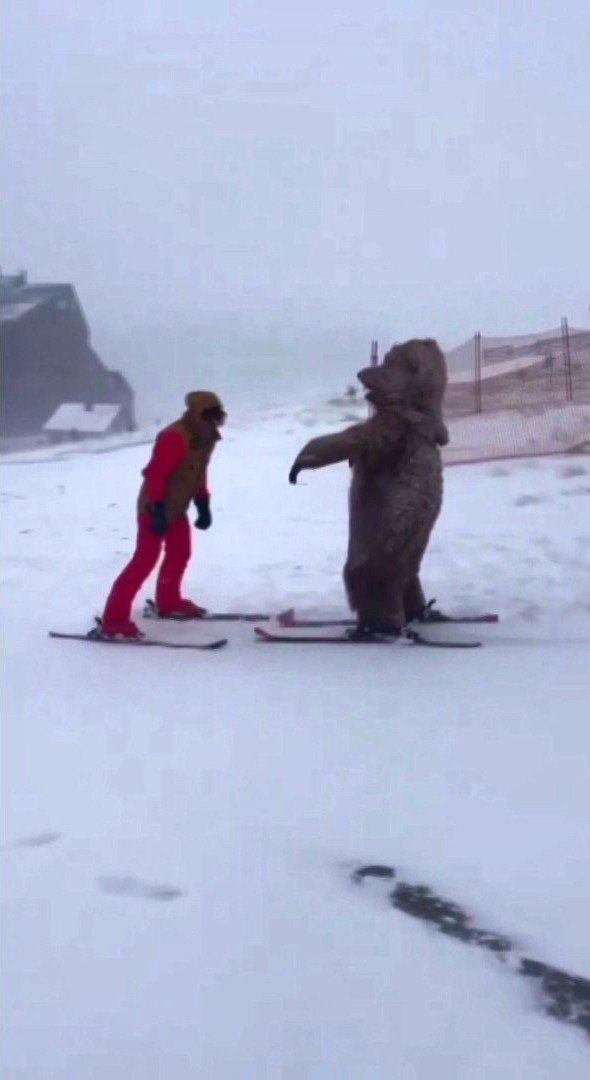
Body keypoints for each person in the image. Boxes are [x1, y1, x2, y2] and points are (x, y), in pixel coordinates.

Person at [289, 339, 448, 637]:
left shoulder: (396, 421)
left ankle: (381, 622)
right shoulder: (426, 424)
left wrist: (310, 455)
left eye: (391, 368)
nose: (369, 378)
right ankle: (410, 606)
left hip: (393, 505)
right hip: (420, 503)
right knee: (403, 561)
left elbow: (357, 440)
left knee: (372, 568)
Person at [100, 391, 226, 638]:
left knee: (180, 552)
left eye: (218, 417)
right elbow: (155, 474)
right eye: (210, 416)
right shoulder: (174, 438)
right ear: (197, 415)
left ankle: (169, 601)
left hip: (177, 508)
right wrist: (156, 510)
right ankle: (113, 621)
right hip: (154, 507)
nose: (215, 422)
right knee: (144, 561)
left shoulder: (205, 438)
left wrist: (202, 502)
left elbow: (198, 471)